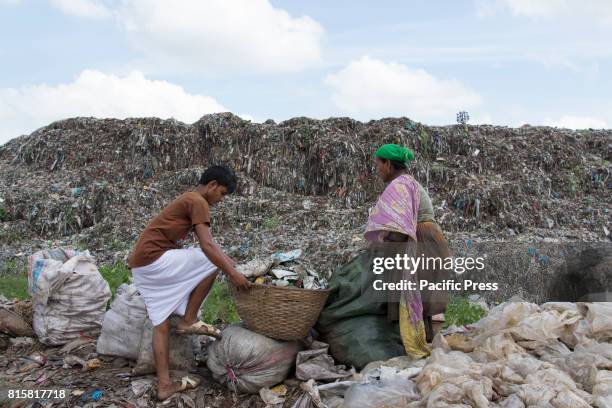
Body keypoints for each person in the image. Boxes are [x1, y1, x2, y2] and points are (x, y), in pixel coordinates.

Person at [128, 165, 250, 401]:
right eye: (223, 193)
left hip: (142, 266)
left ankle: (164, 385)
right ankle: (189, 319)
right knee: (209, 260)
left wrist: (227, 261)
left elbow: (210, 248)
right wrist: (231, 272)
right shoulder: (198, 201)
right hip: (153, 261)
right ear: (212, 185)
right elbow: (208, 246)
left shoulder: (188, 199)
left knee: (160, 323)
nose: (222, 200)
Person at [365, 144, 450, 358]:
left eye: (379, 165)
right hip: (431, 242)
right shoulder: (409, 183)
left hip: (422, 243)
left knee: (409, 295)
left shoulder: (399, 185)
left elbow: (402, 230)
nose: (378, 170)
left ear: (389, 164)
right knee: (421, 298)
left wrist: (382, 244)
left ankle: (414, 347)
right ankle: (425, 343)